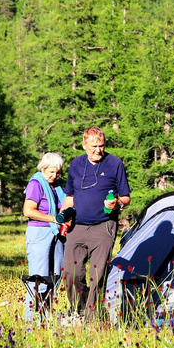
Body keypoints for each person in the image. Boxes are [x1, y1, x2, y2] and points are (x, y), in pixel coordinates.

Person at [61, 126, 131, 320]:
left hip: (104, 226)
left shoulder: (114, 163)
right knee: (70, 273)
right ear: (84, 145)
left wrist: (117, 203)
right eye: (94, 146)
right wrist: (61, 216)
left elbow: (125, 197)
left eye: (101, 145)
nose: (98, 150)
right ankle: (82, 309)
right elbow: (70, 196)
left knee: (98, 275)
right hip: (77, 226)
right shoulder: (75, 164)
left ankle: (94, 319)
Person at [22, 152, 70, 321]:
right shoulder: (36, 183)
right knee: (39, 278)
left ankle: (46, 317)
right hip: (39, 233)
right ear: (42, 167)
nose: (54, 175)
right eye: (51, 172)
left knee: (55, 275)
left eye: (57, 172)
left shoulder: (56, 186)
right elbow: (28, 210)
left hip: (56, 233)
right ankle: (31, 319)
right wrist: (53, 218)